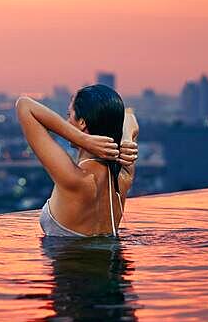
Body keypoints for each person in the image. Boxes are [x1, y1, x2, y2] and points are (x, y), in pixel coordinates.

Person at [15, 85, 139, 238]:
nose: (66, 122)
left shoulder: (75, 178)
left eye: (69, 115)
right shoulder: (124, 173)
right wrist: (126, 138)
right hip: (112, 260)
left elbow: (24, 105)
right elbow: (128, 116)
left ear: (82, 122)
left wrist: (83, 139)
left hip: (70, 259)